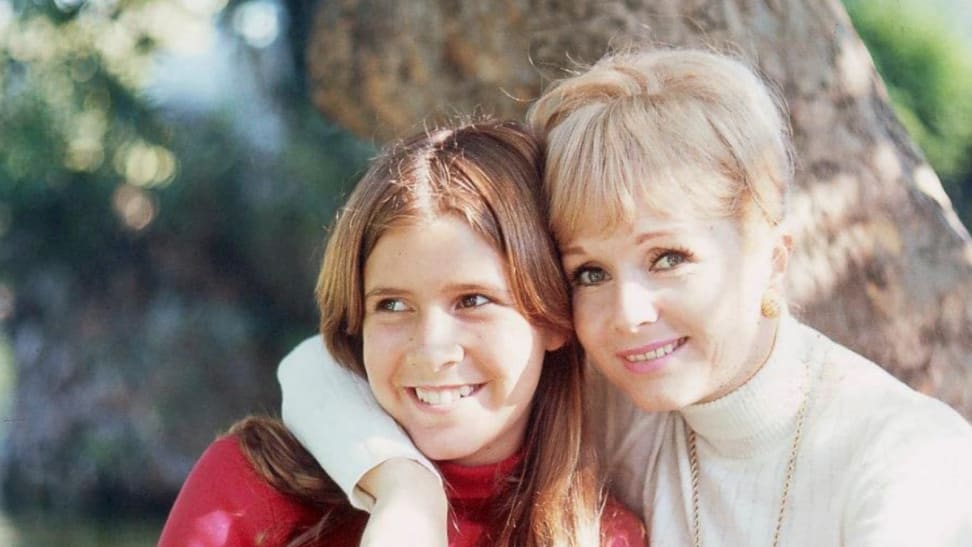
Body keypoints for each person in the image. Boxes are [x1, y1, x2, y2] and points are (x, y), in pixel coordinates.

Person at [277, 48, 972, 546]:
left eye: (668, 258)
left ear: (772, 258)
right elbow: (317, 368)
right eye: (589, 273)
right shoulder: (621, 398)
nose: (627, 313)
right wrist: (407, 492)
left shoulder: (913, 464)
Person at [158, 119, 646, 547]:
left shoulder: (599, 535)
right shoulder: (250, 488)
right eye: (392, 305)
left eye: (473, 300)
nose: (430, 349)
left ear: (552, 319)